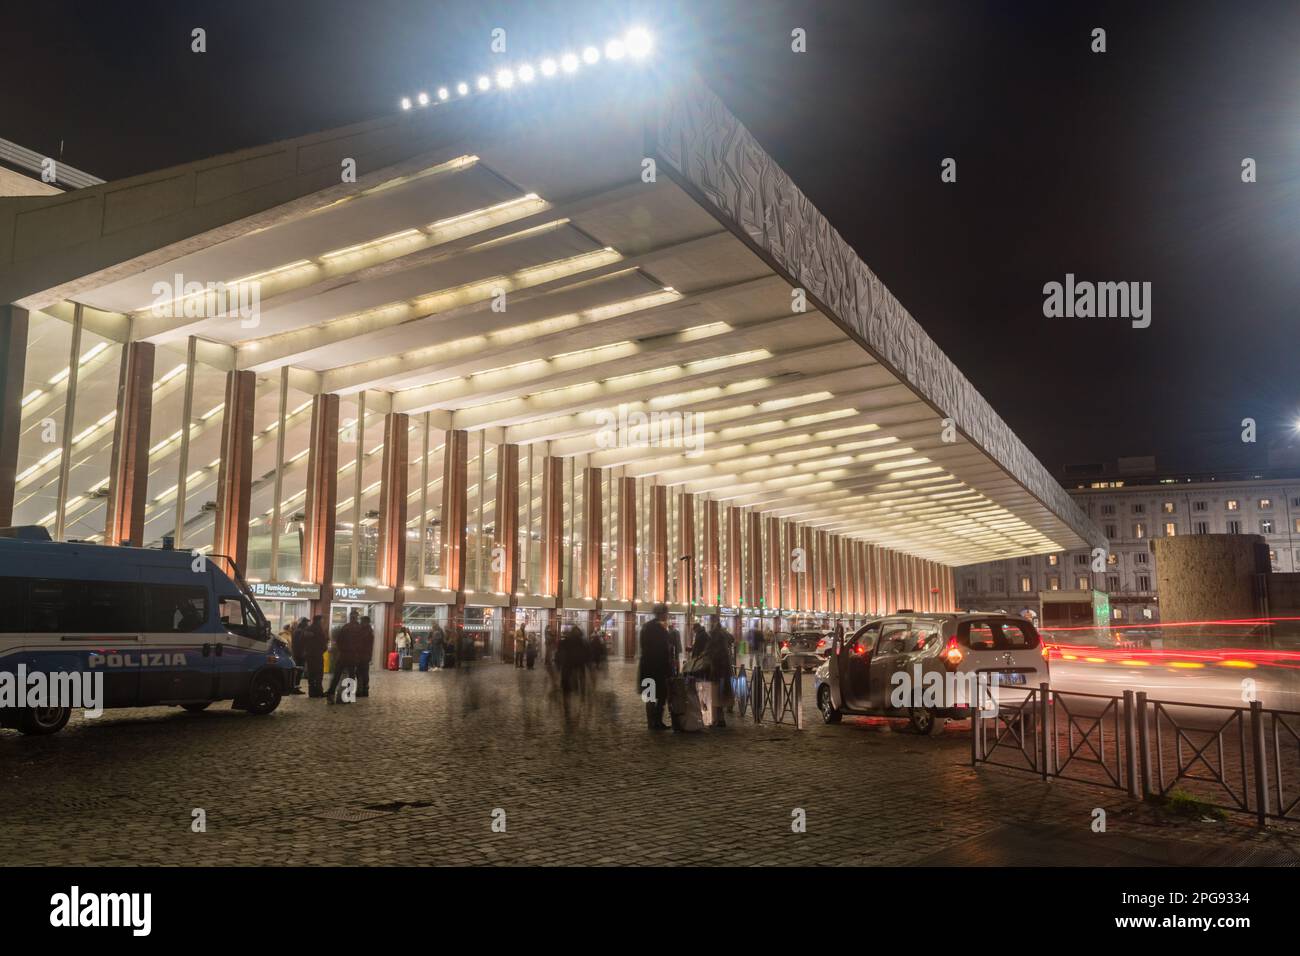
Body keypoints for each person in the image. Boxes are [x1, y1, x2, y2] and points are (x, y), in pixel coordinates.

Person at [638, 604, 673, 731]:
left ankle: (651, 723)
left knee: (650, 697)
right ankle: (657, 722)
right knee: (661, 696)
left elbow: (644, 647)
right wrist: (669, 670)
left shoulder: (646, 627)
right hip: (658, 668)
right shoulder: (660, 629)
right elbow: (664, 651)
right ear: (661, 614)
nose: (666, 616)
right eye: (666, 614)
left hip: (647, 667)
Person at [326, 610, 363, 704]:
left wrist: (341, 650)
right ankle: (348, 696)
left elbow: (339, 640)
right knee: (350, 675)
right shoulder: (358, 628)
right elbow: (360, 643)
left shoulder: (346, 627)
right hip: (351, 655)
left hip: (343, 655)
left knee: (337, 675)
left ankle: (331, 694)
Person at [706, 615, 735, 727]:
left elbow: (712, 651)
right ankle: (719, 718)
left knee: (716, 693)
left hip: (717, 669)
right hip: (724, 668)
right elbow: (732, 639)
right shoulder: (722, 633)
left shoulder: (715, 635)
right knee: (720, 693)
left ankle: (718, 719)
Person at [303, 614, 328, 698]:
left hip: (309, 655)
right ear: (318, 620)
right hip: (317, 655)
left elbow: (303, 641)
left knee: (311, 673)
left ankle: (312, 692)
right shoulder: (318, 629)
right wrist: (323, 649)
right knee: (318, 673)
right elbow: (322, 641)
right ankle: (319, 692)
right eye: (322, 620)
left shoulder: (307, 629)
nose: (322, 622)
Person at [356, 615, 376, 697]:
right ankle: (363, 689)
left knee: (361, 673)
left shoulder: (365, 631)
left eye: (362, 621)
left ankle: (362, 689)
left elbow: (361, 643)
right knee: (362, 673)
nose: (360, 622)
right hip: (364, 655)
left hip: (362, 655)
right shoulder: (369, 630)